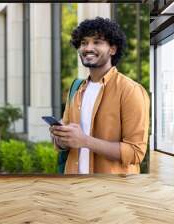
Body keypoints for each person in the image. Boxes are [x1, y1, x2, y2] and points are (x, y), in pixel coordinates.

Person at [50, 17, 150, 174]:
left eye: (97, 42)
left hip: (111, 193)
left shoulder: (130, 91)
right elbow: (64, 145)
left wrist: (85, 141)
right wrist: (61, 138)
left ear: (112, 49)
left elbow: (135, 152)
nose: (88, 48)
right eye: (83, 42)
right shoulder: (77, 89)